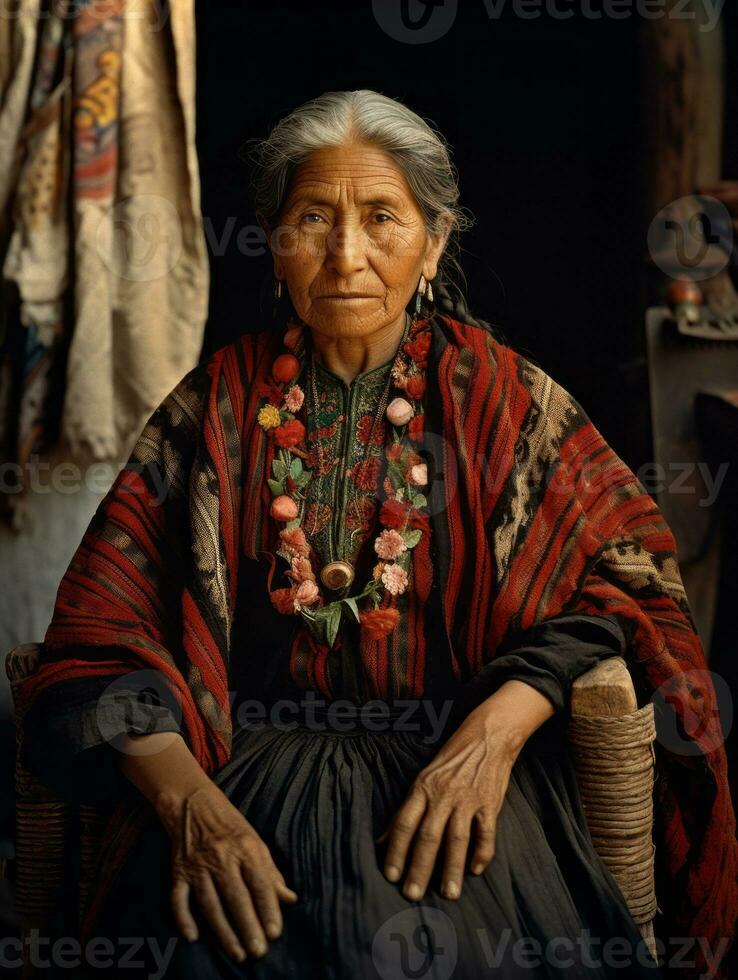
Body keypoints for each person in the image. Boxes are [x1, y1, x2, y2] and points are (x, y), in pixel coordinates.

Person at [18, 90, 738, 979]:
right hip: (239, 783)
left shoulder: (505, 403)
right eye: (313, 217)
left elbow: (623, 582)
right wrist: (191, 812)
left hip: (461, 784)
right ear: (275, 246)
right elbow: (101, 636)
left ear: (434, 244)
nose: (347, 255)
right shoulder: (216, 409)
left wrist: (491, 739)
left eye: (383, 217)